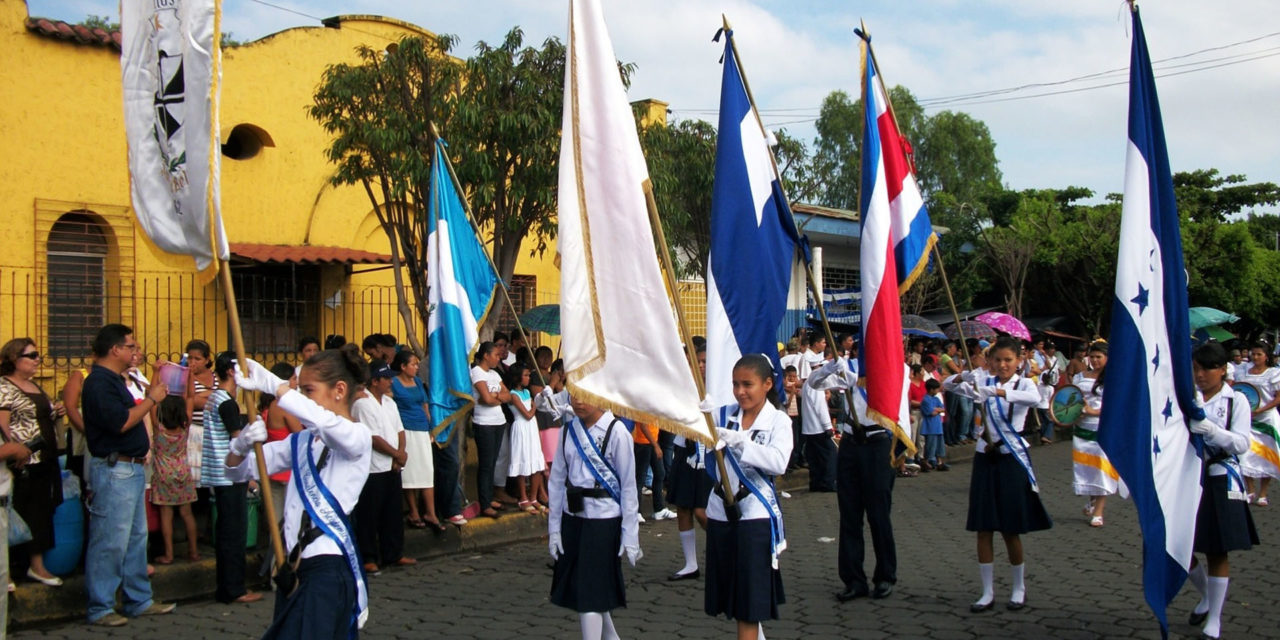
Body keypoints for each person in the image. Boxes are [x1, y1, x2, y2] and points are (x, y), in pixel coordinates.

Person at [226, 346, 372, 639]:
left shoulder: (357, 436)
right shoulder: (302, 442)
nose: (302, 399)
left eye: (308, 390)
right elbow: (236, 472)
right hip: (293, 568)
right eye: (300, 391)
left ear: (339, 390)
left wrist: (275, 387)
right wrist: (240, 447)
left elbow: (328, 423)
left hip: (327, 568)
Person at [944, 335, 1051, 613]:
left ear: (1019, 361)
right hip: (985, 457)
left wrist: (999, 393)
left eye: (1008, 360)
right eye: (997, 360)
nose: (1002, 365)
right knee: (983, 526)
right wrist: (963, 378)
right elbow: (947, 385)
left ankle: (1018, 587)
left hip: (1011, 457)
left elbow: (1034, 399)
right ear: (989, 361)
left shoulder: (1024, 383)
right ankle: (987, 590)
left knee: (1010, 528)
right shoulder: (983, 383)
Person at [82, 323, 175, 626]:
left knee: (136, 538)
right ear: (115, 349)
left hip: (131, 467)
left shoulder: (117, 380)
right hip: (114, 469)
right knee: (110, 540)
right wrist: (152, 399)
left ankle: (138, 599)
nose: (136, 352)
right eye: (131, 346)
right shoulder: (99, 383)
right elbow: (121, 422)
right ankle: (101, 606)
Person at [703, 355, 792, 639]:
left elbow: (778, 463)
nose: (740, 391)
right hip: (721, 514)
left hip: (754, 517)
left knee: (748, 605)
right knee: (736, 595)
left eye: (747, 384)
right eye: (735, 384)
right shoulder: (724, 415)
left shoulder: (778, 420)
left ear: (767, 384)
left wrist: (742, 442)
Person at [546, 395, 641, 640]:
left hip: (604, 520)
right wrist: (554, 529)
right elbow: (556, 481)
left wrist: (630, 534)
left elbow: (629, 486)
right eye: (574, 394)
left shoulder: (617, 432)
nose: (578, 401)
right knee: (587, 588)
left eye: (586, 395)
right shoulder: (568, 430)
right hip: (574, 517)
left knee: (590, 594)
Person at [1184, 342, 1259, 640]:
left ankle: (1214, 617)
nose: (1200, 375)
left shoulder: (1235, 400)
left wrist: (1213, 431)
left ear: (1223, 369)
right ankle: (1206, 595)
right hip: (1188, 475)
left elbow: (1242, 443)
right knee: (1178, 544)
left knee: (1216, 549)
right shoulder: (1188, 397)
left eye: (1207, 368)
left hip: (1218, 474)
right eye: (1196, 368)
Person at [809, 357, 899, 602]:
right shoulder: (850, 366)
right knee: (850, 514)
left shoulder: (893, 363)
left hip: (879, 442)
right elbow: (814, 384)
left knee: (879, 514)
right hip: (851, 443)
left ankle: (884, 576)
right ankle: (853, 579)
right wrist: (830, 368)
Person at [0, 338, 66, 587]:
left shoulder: (35, 386)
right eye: (32, 355)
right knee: (19, 513)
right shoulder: (4, 387)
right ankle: (8, 569)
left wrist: (56, 411)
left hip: (44, 458)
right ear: (15, 359)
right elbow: (3, 425)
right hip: (22, 463)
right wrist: (11, 451)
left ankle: (37, 566)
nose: (38, 359)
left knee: (41, 512)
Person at [202, 351, 261, 604]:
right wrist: (248, 474)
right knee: (233, 535)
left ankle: (227, 588)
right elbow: (238, 442)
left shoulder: (215, 398)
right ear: (230, 372)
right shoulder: (225, 402)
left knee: (227, 532)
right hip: (229, 474)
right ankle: (234, 588)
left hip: (221, 474)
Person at [352, 362, 415, 573]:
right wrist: (397, 454)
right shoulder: (363, 404)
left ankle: (393, 552)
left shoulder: (389, 402)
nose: (390, 381)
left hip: (392, 465)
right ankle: (369, 555)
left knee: (393, 512)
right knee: (369, 513)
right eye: (386, 378)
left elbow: (400, 430)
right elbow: (373, 438)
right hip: (373, 466)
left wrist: (401, 453)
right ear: (374, 381)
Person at [666, 342, 712, 581]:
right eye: (698, 361)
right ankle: (690, 564)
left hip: (708, 453)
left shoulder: (720, 388)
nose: (700, 366)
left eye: (704, 361)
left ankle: (722, 552)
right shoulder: (683, 385)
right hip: (685, 448)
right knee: (683, 507)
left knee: (702, 511)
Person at [388, 351, 441, 530]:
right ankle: (413, 511)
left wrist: (430, 425)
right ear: (403, 366)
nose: (417, 367)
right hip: (406, 429)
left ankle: (430, 513)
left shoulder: (418, 382)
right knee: (409, 473)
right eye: (413, 364)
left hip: (422, 429)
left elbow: (424, 404)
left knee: (427, 471)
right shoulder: (394, 383)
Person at [1073, 341, 1119, 527]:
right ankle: (1092, 500)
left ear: (1107, 358)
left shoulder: (1115, 379)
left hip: (1104, 428)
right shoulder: (1079, 377)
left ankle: (1099, 511)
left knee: (1102, 469)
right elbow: (1070, 398)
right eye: (1092, 356)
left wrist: (1094, 412)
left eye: (1099, 357)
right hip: (1082, 430)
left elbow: (1117, 405)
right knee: (1088, 469)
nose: (1095, 360)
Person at [152, 395, 199, 564]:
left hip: (163, 475)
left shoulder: (159, 430)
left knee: (166, 515)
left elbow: (152, 404)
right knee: (187, 514)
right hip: (183, 473)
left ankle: (169, 554)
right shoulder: (184, 429)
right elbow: (191, 400)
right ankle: (193, 552)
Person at [1237, 342, 1280, 506]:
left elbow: (1278, 398)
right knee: (1245, 452)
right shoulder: (1244, 372)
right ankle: (1250, 489)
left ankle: (1263, 493)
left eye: (1259, 354)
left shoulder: (1274, 374)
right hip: (1248, 419)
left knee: (1266, 455)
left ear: (1266, 356)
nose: (1255, 357)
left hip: (1267, 420)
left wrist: (1261, 410)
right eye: (1253, 354)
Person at [472, 341, 510, 519]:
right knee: (486, 464)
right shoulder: (477, 372)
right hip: (484, 422)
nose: (498, 357)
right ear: (486, 355)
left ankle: (490, 497)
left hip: (498, 421)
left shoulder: (495, 374)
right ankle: (484, 502)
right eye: (495, 354)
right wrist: (496, 397)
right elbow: (485, 399)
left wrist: (495, 396)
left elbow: (508, 395)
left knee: (493, 462)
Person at [264, 362, 304, 525]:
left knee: (276, 518)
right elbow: (300, 434)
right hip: (288, 469)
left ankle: (277, 549)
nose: (297, 383)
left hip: (274, 468)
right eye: (294, 378)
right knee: (289, 520)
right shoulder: (284, 406)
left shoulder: (271, 404)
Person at [506, 362, 547, 512]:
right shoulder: (513, 394)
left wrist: (535, 401)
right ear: (517, 377)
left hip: (531, 429)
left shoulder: (527, 393)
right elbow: (528, 414)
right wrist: (535, 404)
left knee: (536, 462)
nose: (529, 378)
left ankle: (534, 497)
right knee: (522, 461)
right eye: (526, 375)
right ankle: (523, 497)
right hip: (521, 427)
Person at [800, 346, 838, 492]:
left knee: (815, 457)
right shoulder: (816, 382)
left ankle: (816, 483)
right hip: (818, 427)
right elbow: (820, 406)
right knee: (829, 456)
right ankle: (827, 483)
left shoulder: (807, 382)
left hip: (809, 428)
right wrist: (828, 425)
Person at [185, 339, 215, 486]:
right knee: (194, 476)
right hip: (194, 431)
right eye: (190, 358)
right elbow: (188, 400)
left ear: (207, 360)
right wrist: (211, 395)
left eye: (197, 358)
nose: (192, 362)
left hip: (214, 432)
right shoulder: (185, 377)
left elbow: (226, 398)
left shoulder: (216, 377)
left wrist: (199, 397)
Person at [633, 420, 673, 521]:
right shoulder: (645, 405)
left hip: (651, 442)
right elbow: (643, 425)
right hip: (643, 443)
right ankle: (636, 511)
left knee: (659, 474)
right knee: (640, 478)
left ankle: (659, 509)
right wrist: (655, 445)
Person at [921, 379, 949, 472]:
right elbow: (931, 412)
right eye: (936, 389)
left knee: (939, 445)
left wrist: (936, 409)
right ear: (931, 389)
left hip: (937, 426)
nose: (937, 391)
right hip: (930, 427)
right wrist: (937, 409)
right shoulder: (925, 399)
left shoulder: (936, 399)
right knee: (930, 446)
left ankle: (939, 462)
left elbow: (942, 409)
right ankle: (926, 462)